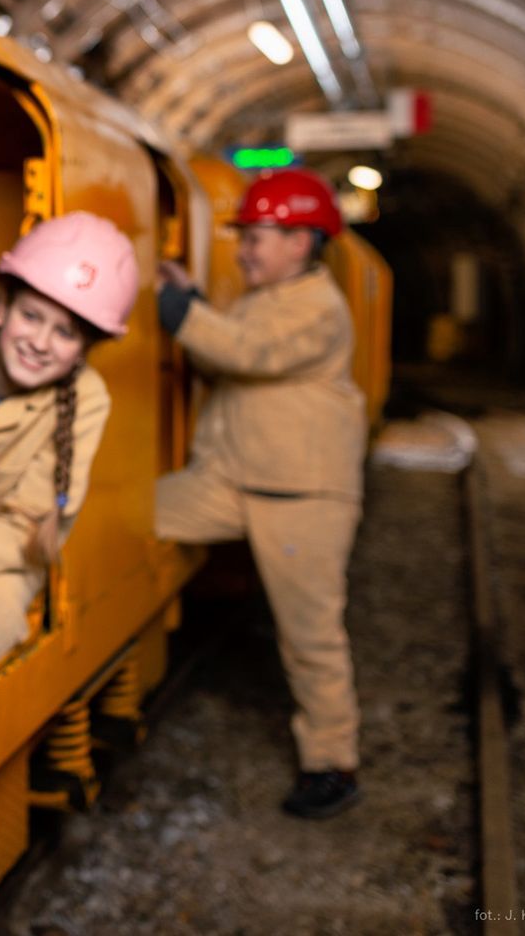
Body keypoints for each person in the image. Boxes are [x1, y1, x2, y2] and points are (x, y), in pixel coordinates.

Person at [154, 167, 366, 819]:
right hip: (229, 479)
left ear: (300, 242)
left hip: (301, 495)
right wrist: (193, 304)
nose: (244, 249)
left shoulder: (317, 308)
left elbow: (248, 354)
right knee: (126, 518)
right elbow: (229, 352)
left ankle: (331, 763)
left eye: (257, 237)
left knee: (309, 634)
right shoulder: (259, 300)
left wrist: (182, 313)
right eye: (244, 236)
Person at [0, 212, 139, 670]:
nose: (41, 342)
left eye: (65, 332)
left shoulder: (87, 399)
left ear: (85, 348)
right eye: (31, 316)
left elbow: (26, 524)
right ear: (2, 307)